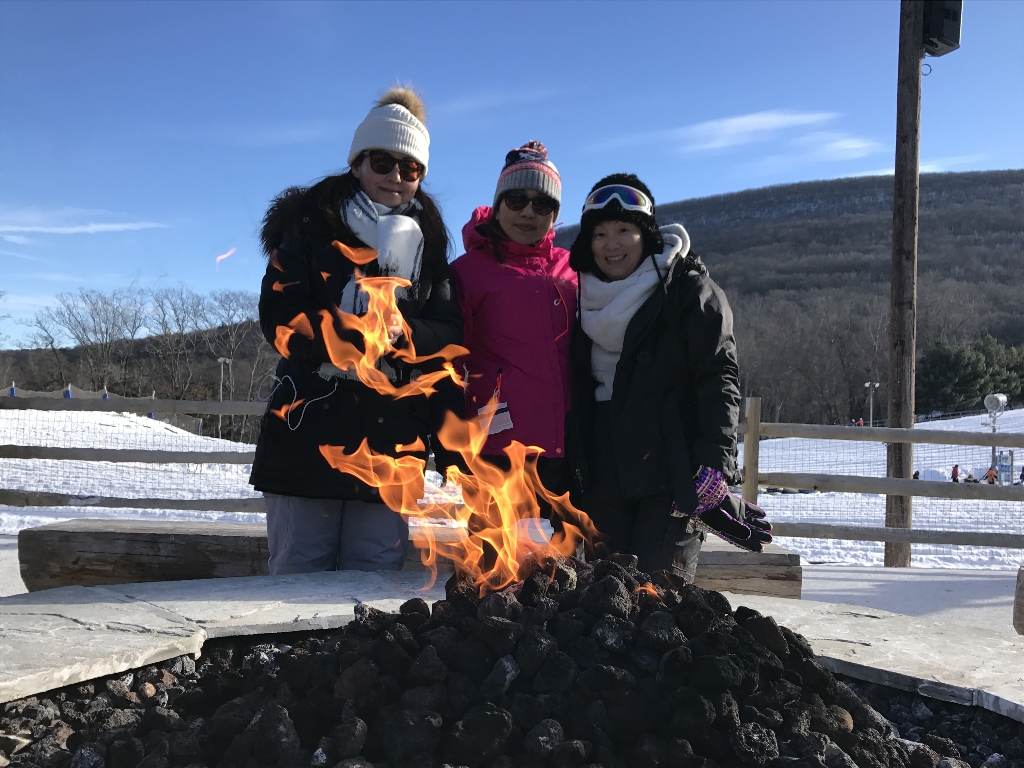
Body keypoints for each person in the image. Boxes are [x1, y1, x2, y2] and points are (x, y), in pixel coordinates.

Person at [249, 87, 463, 574]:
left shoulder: (430, 243)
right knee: (299, 571)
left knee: (375, 576)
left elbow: (448, 331)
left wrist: (405, 335)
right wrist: (345, 337)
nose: (395, 177)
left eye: (410, 168)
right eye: (382, 162)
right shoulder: (308, 225)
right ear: (358, 162)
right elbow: (278, 313)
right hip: (307, 427)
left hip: (392, 437)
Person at [565, 174, 771, 579]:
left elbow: (718, 377)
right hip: (601, 475)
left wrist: (714, 464)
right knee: (601, 595)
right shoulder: (577, 296)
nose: (611, 244)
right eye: (600, 233)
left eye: (624, 230)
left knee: (659, 595)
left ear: (647, 235)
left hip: (672, 474)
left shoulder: (687, 290)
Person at [449, 142, 575, 494]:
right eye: (517, 201)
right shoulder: (467, 272)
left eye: (543, 204)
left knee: (563, 533)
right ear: (498, 205)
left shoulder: (572, 269)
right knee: (494, 533)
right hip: (494, 448)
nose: (528, 213)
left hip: (566, 446)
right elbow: (449, 360)